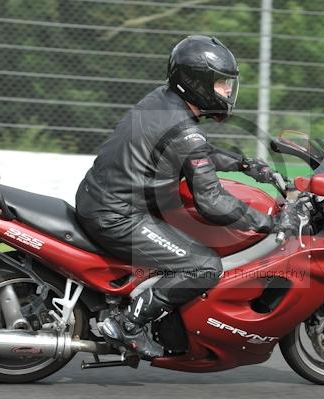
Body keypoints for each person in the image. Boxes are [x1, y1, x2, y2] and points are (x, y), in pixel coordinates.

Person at [75, 35, 299, 359]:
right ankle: (129, 324)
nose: (227, 92)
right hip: (118, 215)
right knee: (203, 266)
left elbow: (196, 154)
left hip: (103, 201)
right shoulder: (182, 126)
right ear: (198, 82)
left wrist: (244, 165)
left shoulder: (166, 102)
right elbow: (211, 200)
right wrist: (270, 222)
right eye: (222, 84)